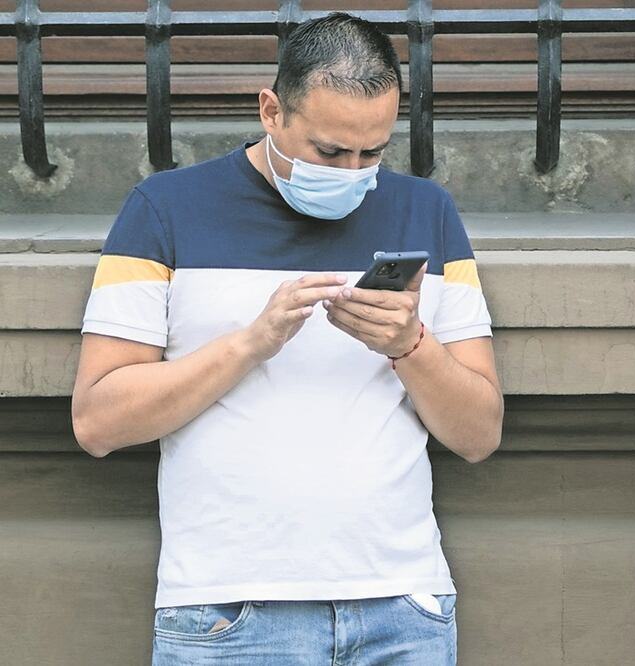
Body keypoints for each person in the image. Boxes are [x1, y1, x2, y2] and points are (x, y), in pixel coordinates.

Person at [71, 13, 502, 665]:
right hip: (227, 612)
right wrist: (250, 344)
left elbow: (479, 435)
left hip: (402, 609)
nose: (354, 172)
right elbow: (98, 420)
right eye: (330, 152)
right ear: (271, 111)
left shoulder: (425, 210)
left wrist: (411, 345)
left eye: (373, 152)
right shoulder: (163, 209)